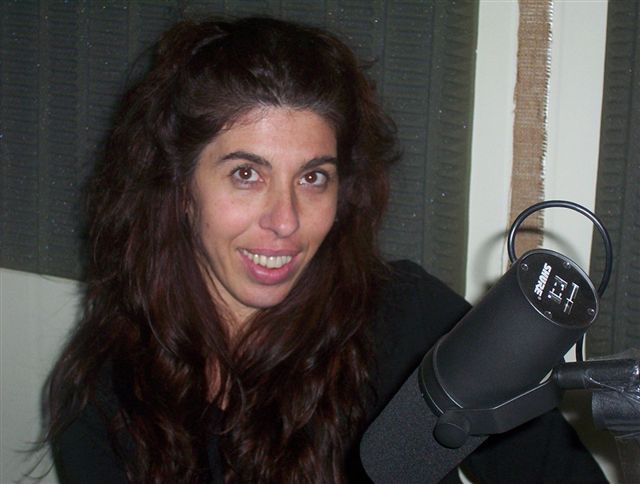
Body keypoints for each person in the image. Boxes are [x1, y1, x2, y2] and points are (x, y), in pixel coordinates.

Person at [44, 17, 607, 483]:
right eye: (246, 174)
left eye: (313, 178)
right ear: (180, 190)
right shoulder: (107, 389)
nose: (285, 220)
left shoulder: (410, 323)